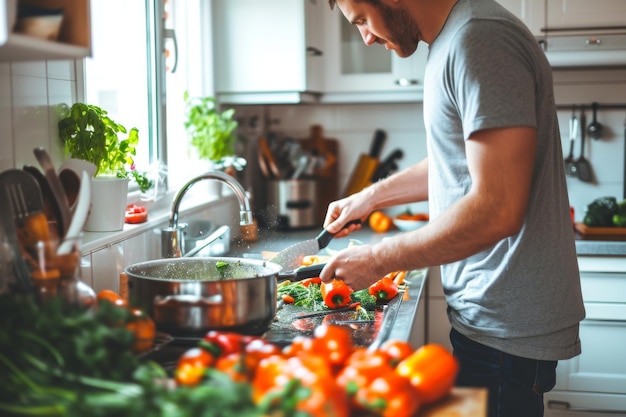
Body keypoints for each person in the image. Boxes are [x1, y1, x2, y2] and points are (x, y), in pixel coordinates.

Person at [321, 1, 586, 416]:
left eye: (362, 20)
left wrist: (375, 259)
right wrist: (371, 197)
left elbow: (497, 208)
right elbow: (459, 160)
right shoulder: (451, 40)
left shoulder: (480, 38)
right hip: (490, 316)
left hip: (504, 326)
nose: (366, 37)